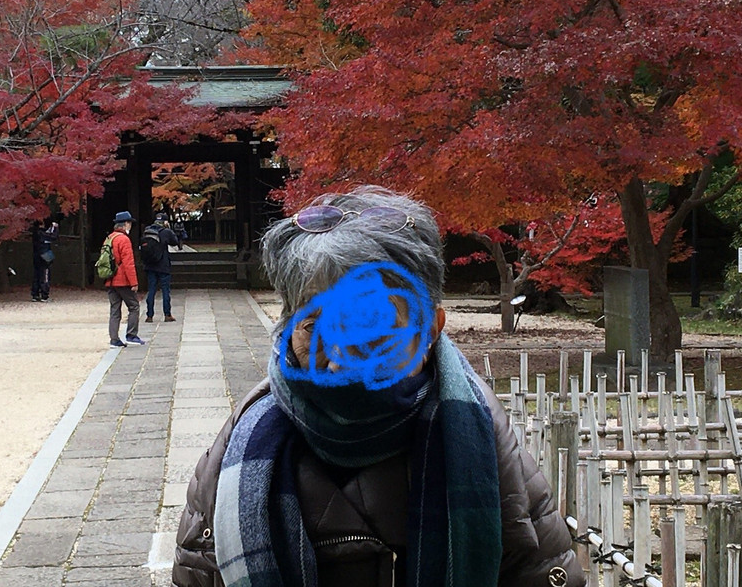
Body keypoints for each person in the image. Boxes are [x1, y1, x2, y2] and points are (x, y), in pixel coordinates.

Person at [173, 186, 584, 587]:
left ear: (430, 332)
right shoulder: (241, 443)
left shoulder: (478, 436)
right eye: (314, 327)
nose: (336, 359)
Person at [106, 211, 144, 347]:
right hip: (122, 279)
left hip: (110, 279)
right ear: (126, 224)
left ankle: (114, 339)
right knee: (134, 306)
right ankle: (131, 335)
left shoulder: (109, 238)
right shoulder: (124, 240)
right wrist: (134, 282)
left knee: (115, 309)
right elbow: (128, 263)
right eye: (130, 223)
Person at [142, 212, 182, 323]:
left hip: (150, 265)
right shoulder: (166, 232)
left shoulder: (147, 231)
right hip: (163, 265)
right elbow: (175, 242)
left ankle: (149, 315)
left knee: (151, 290)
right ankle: (167, 314)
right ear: (165, 222)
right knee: (165, 290)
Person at [29, 218, 58, 302]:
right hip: (44, 256)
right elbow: (53, 237)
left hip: (36, 255)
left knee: (36, 274)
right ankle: (44, 295)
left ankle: (35, 294)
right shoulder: (42, 234)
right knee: (45, 275)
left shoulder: (36, 233)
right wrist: (55, 228)